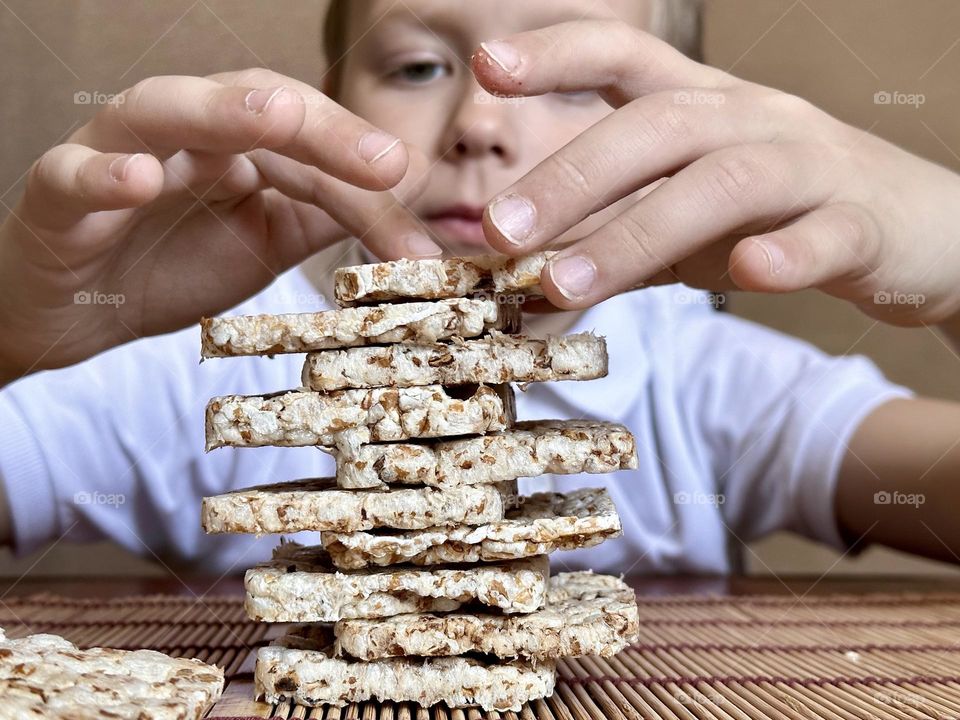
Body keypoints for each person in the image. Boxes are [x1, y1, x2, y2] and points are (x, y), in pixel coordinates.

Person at [0, 0, 958, 574]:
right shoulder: (196, 367)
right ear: (332, 105)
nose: (477, 123)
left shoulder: (707, 387)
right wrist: (16, 340)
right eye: (418, 65)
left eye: (575, 79)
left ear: (682, 142)